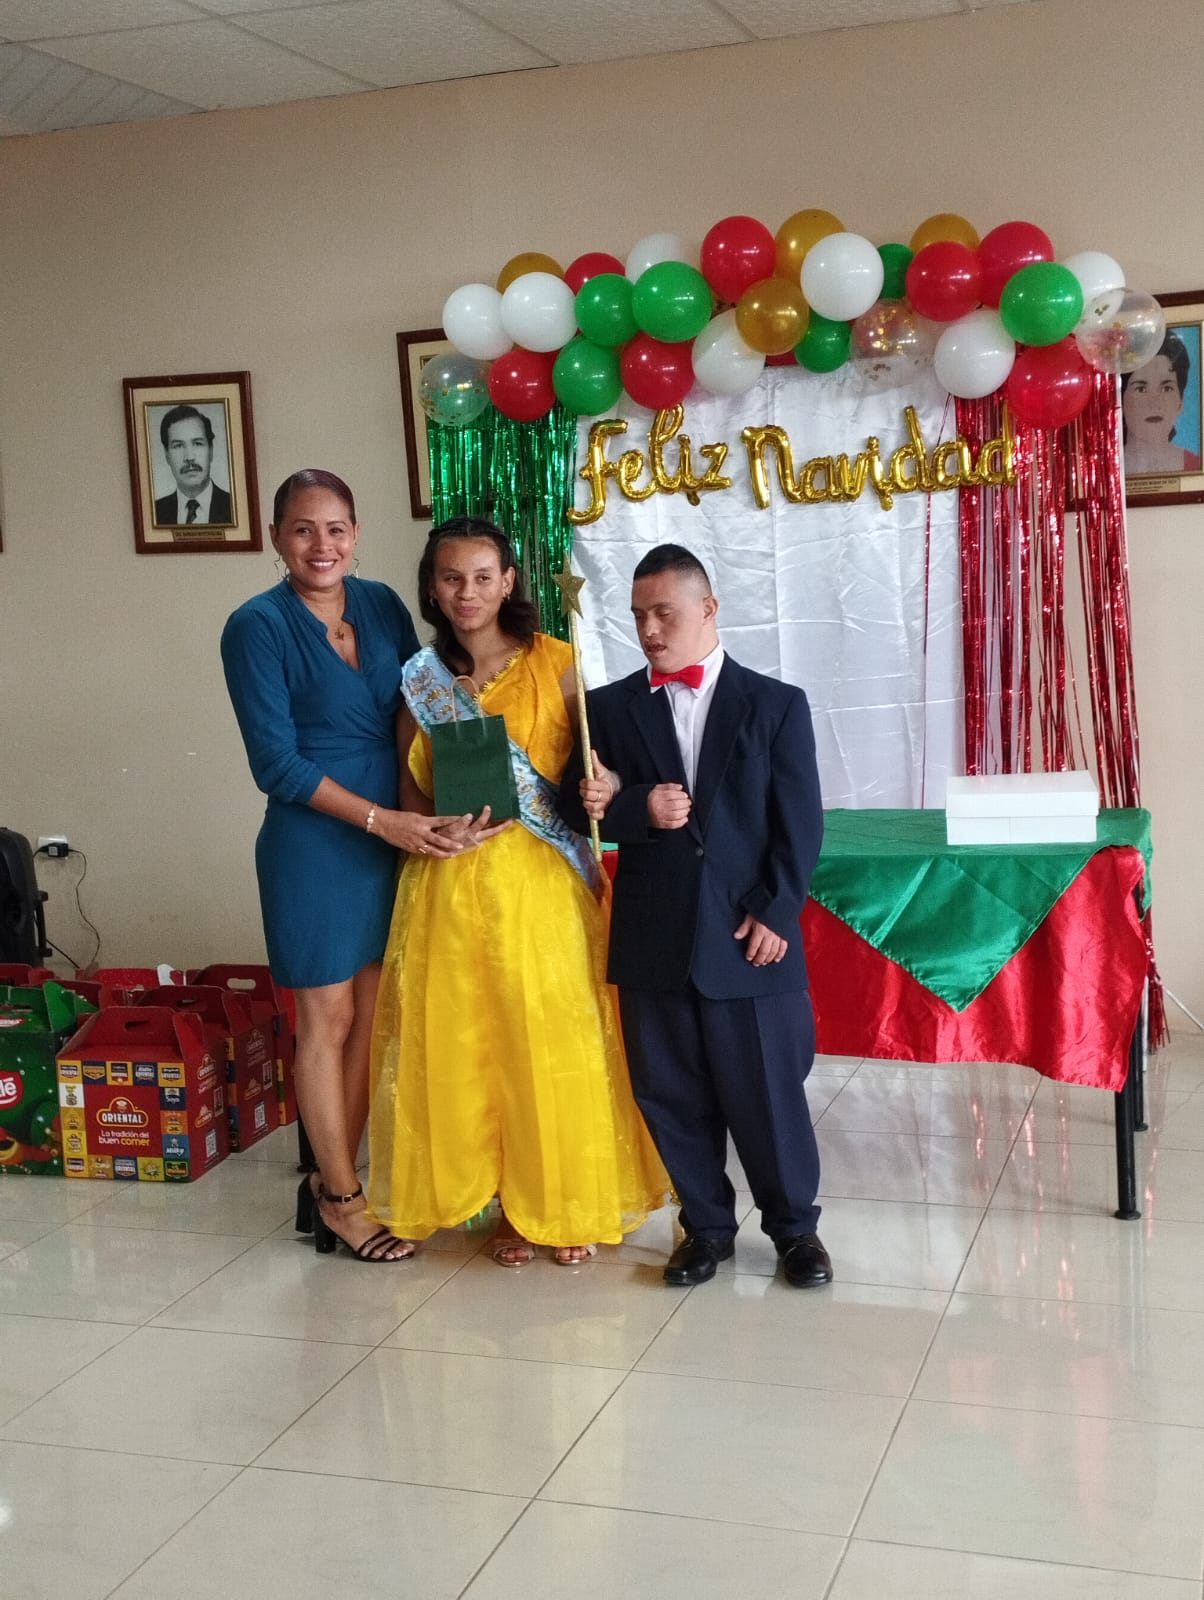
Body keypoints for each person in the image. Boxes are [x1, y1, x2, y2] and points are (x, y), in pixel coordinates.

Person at [367, 515, 667, 1266]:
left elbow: (604, 765)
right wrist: (431, 826)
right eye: (451, 578)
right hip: (447, 888)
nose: (466, 593)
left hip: (541, 887)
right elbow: (409, 789)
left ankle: (558, 1204)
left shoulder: (555, 661)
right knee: (470, 1048)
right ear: (432, 588)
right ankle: (498, 1203)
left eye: (482, 577)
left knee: (548, 1044)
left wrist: (605, 787)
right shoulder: (418, 681)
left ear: (507, 582)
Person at [557, 544, 832, 1290]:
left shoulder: (776, 704)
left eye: (664, 613)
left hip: (748, 934)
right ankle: (704, 1227)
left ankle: (795, 1230)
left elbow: (800, 823)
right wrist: (634, 809)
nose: (649, 630)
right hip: (654, 936)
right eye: (639, 615)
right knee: (670, 1093)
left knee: (768, 1094)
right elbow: (573, 806)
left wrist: (777, 911)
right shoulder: (606, 709)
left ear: (708, 609)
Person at [222, 468, 475, 1262]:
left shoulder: (382, 605)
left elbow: (419, 701)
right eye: (303, 529)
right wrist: (381, 819)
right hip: (315, 846)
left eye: (335, 528)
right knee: (325, 1020)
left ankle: (335, 1182)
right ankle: (340, 1198)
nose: (321, 545)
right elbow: (276, 765)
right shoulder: (254, 627)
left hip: (393, 835)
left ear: (356, 534)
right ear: (277, 538)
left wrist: (467, 772)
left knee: (371, 1018)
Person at [1121, 330, 1202, 475]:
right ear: (1121, 400)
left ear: (1181, 401)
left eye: (1166, 388)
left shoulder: (1196, 466)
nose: (1154, 403)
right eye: (1141, 389)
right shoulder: (1105, 471)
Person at [155, 404, 234, 525]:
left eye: (197, 443)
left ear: (211, 450)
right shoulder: (154, 513)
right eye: (178, 446)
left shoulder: (235, 507)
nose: (189, 457)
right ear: (167, 455)